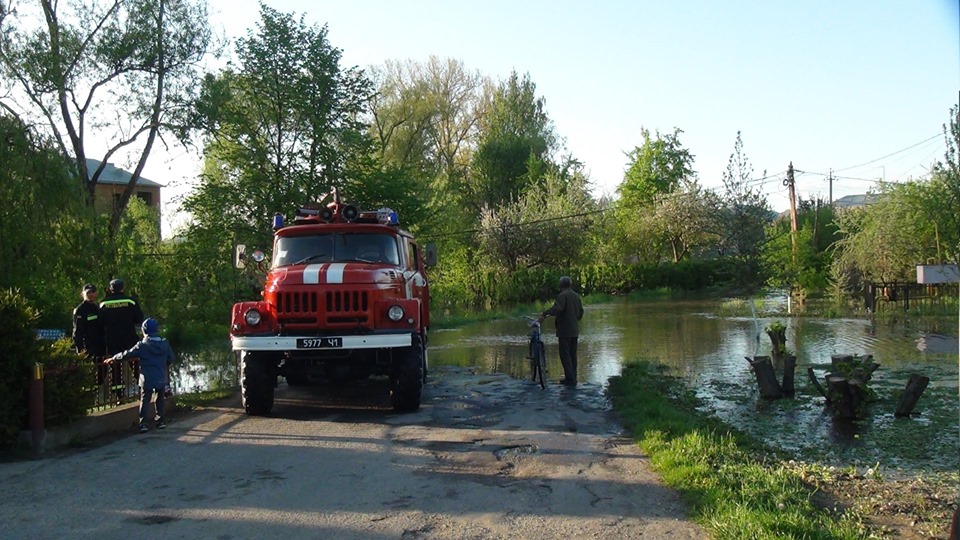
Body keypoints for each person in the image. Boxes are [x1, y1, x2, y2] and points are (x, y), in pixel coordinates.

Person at [104, 318, 174, 433]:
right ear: (156, 329)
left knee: (145, 400)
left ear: (144, 331)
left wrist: (113, 358)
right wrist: (162, 364)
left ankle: (143, 424)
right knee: (160, 398)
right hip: (161, 376)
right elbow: (171, 358)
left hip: (146, 377)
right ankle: (161, 421)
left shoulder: (142, 346)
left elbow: (127, 354)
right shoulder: (164, 343)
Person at [99, 278, 145, 402]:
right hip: (129, 339)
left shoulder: (103, 304)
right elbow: (139, 319)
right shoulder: (130, 301)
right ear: (123, 288)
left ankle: (119, 395)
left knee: (115, 367)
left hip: (112, 340)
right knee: (136, 364)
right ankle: (144, 389)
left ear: (110, 289)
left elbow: (100, 323)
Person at [539, 276, 584, 386]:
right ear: (570, 284)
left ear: (561, 286)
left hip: (565, 330)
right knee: (573, 354)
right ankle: (573, 376)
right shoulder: (576, 296)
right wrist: (574, 319)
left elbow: (558, 309)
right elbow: (581, 312)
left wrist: (545, 313)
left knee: (565, 354)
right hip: (574, 330)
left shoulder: (562, 296)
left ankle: (570, 379)